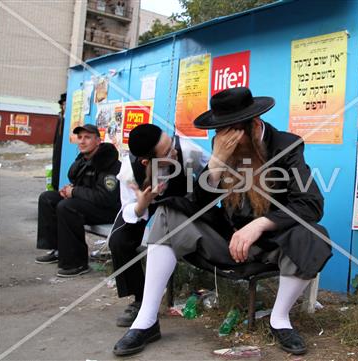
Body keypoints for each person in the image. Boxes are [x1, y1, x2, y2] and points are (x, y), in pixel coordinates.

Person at [112, 87, 332, 356]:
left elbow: (311, 204)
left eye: (230, 132)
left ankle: (280, 320)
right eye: (219, 132)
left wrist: (260, 224)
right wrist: (216, 163)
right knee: (170, 213)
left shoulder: (287, 146)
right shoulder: (223, 149)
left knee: (314, 235)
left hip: (273, 244)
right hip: (230, 241)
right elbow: (198, 205)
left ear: (253, 124)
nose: (223, 139)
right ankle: (146, 322)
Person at [109, 123, 208, 327]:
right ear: (147, 161)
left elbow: (209, 173)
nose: (174, 150)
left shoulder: (187, 150)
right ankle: (140, 298)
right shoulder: (129, 170)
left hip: (179, 200)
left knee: (175, 230)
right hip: (144, 201)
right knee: (119, 241)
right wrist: (142, 205)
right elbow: (128, 207)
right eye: (167, 152)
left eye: (170, 143)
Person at [35, 124, 121, 277]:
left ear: (98, 141)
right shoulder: (84, 160)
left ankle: (77, 263)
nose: (82, 141)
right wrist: (69, 190)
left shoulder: (109, 164)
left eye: (87, 137)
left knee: (67, 207)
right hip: (88, 205)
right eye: (80, 137)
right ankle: (57, 250)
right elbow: (84, 185)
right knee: (47, 198)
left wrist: (74, 192)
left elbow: (105, 198)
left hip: (108, 211)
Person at [51, 93, 66, 191]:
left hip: (64, 149)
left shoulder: (67, 118)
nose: (64, 106)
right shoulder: (61, 117)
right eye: (63, 104)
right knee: (57, 168)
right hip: (58, 149)